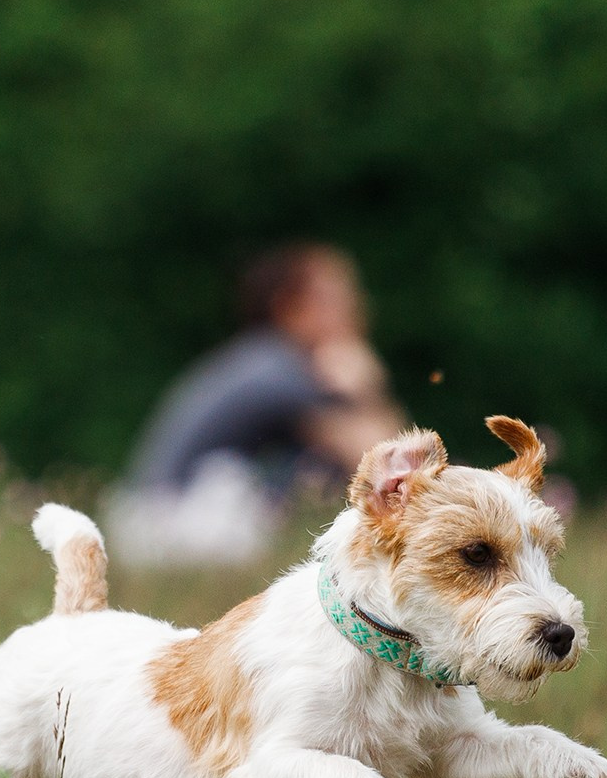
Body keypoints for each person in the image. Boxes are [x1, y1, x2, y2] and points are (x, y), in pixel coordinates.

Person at [105, 243, 406, 568]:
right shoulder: (277, 367)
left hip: (148, 520)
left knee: (312, 477)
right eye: (339, 297)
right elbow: (390, 466)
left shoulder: (260, 358)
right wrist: (369, 391)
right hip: (169, 524)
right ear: (289, 307)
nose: (358, 306)